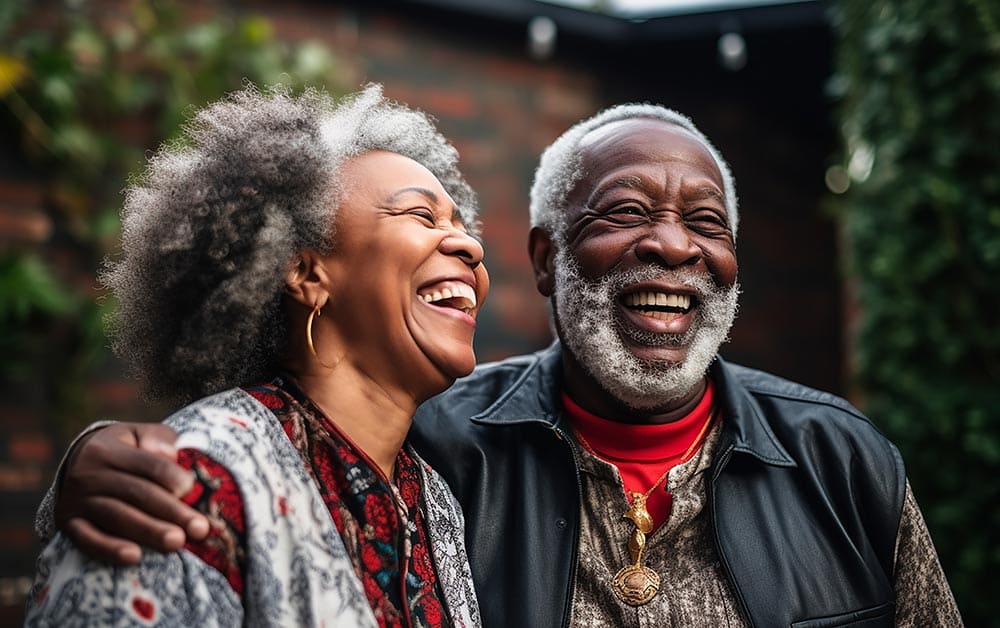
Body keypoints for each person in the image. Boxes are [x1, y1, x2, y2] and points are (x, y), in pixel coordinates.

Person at [39, 103, 963, 627]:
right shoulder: (442, 452)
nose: (675, 248)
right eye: (622, 212)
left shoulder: (847, 463)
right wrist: (89, 471)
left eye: (709, 224)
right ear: (550, 258)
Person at [25, 84, 488, 627]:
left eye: (461, 225)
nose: (472, 247)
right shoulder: (181, 486)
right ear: (306, 273)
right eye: (421, 216)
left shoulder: (434, 502)